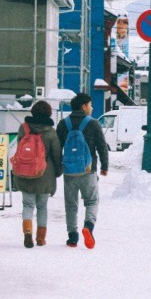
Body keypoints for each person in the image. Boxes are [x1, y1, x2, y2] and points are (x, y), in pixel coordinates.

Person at [56, 93, 109, 249]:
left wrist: (59, 168)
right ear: (84, 106)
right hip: (88, 170)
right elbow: (102, 147)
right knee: (92, 201)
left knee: (71, 205)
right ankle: (88, 227)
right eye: (90, 105)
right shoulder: (93, 123)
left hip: (69, 171)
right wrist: (104, 166)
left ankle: (72, 237)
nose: (92, 108)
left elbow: (57, 148)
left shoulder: (63, 124)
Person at [14, 100, 62, 248]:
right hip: (44, 174)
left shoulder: (23, 128)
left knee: (27, 205)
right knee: (42, 206)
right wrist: (58, 171)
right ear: (48, 113)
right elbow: (57, 154)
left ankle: (27, 232)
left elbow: (19, 148)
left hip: (25, 172)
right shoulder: (51, 132)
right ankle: (40, 238)